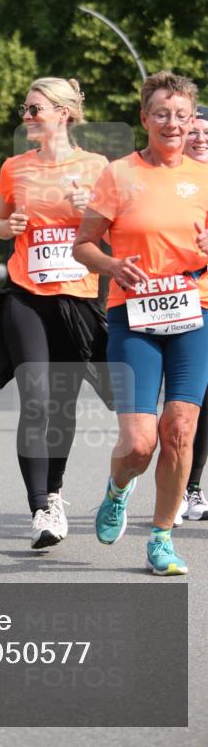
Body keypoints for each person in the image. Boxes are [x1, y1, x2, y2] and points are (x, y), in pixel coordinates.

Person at [74, 72, 208, 576]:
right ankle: (117, 489)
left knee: (180, 430)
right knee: (139, 444)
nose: (173, 123)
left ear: (192, 120)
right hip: (133, 315)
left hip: (195, 312)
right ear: (145, 118)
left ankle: (162, 537)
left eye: (182, 115)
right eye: (162, 114)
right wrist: (111, 265)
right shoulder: (118, 174)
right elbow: (83, 245)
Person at [0, 77, 108, 550]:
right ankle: (40, 506)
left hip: (77, 299)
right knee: (36, 400)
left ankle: (55, 491)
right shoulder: (14, 167)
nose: (26, 116)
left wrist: (91, 210)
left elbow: (118, 232)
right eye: (24, 108)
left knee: (62, 403)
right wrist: (10, 225)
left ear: (63, 113)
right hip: (26, 294)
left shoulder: (97, 167)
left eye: (34, 109)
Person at [177, 105, 208, 522]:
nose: (200, 138)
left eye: (207, 133)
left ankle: (191, 487)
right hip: (179, 301)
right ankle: (173, 483)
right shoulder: (164, 180)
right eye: (193, 131)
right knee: (184, 402)